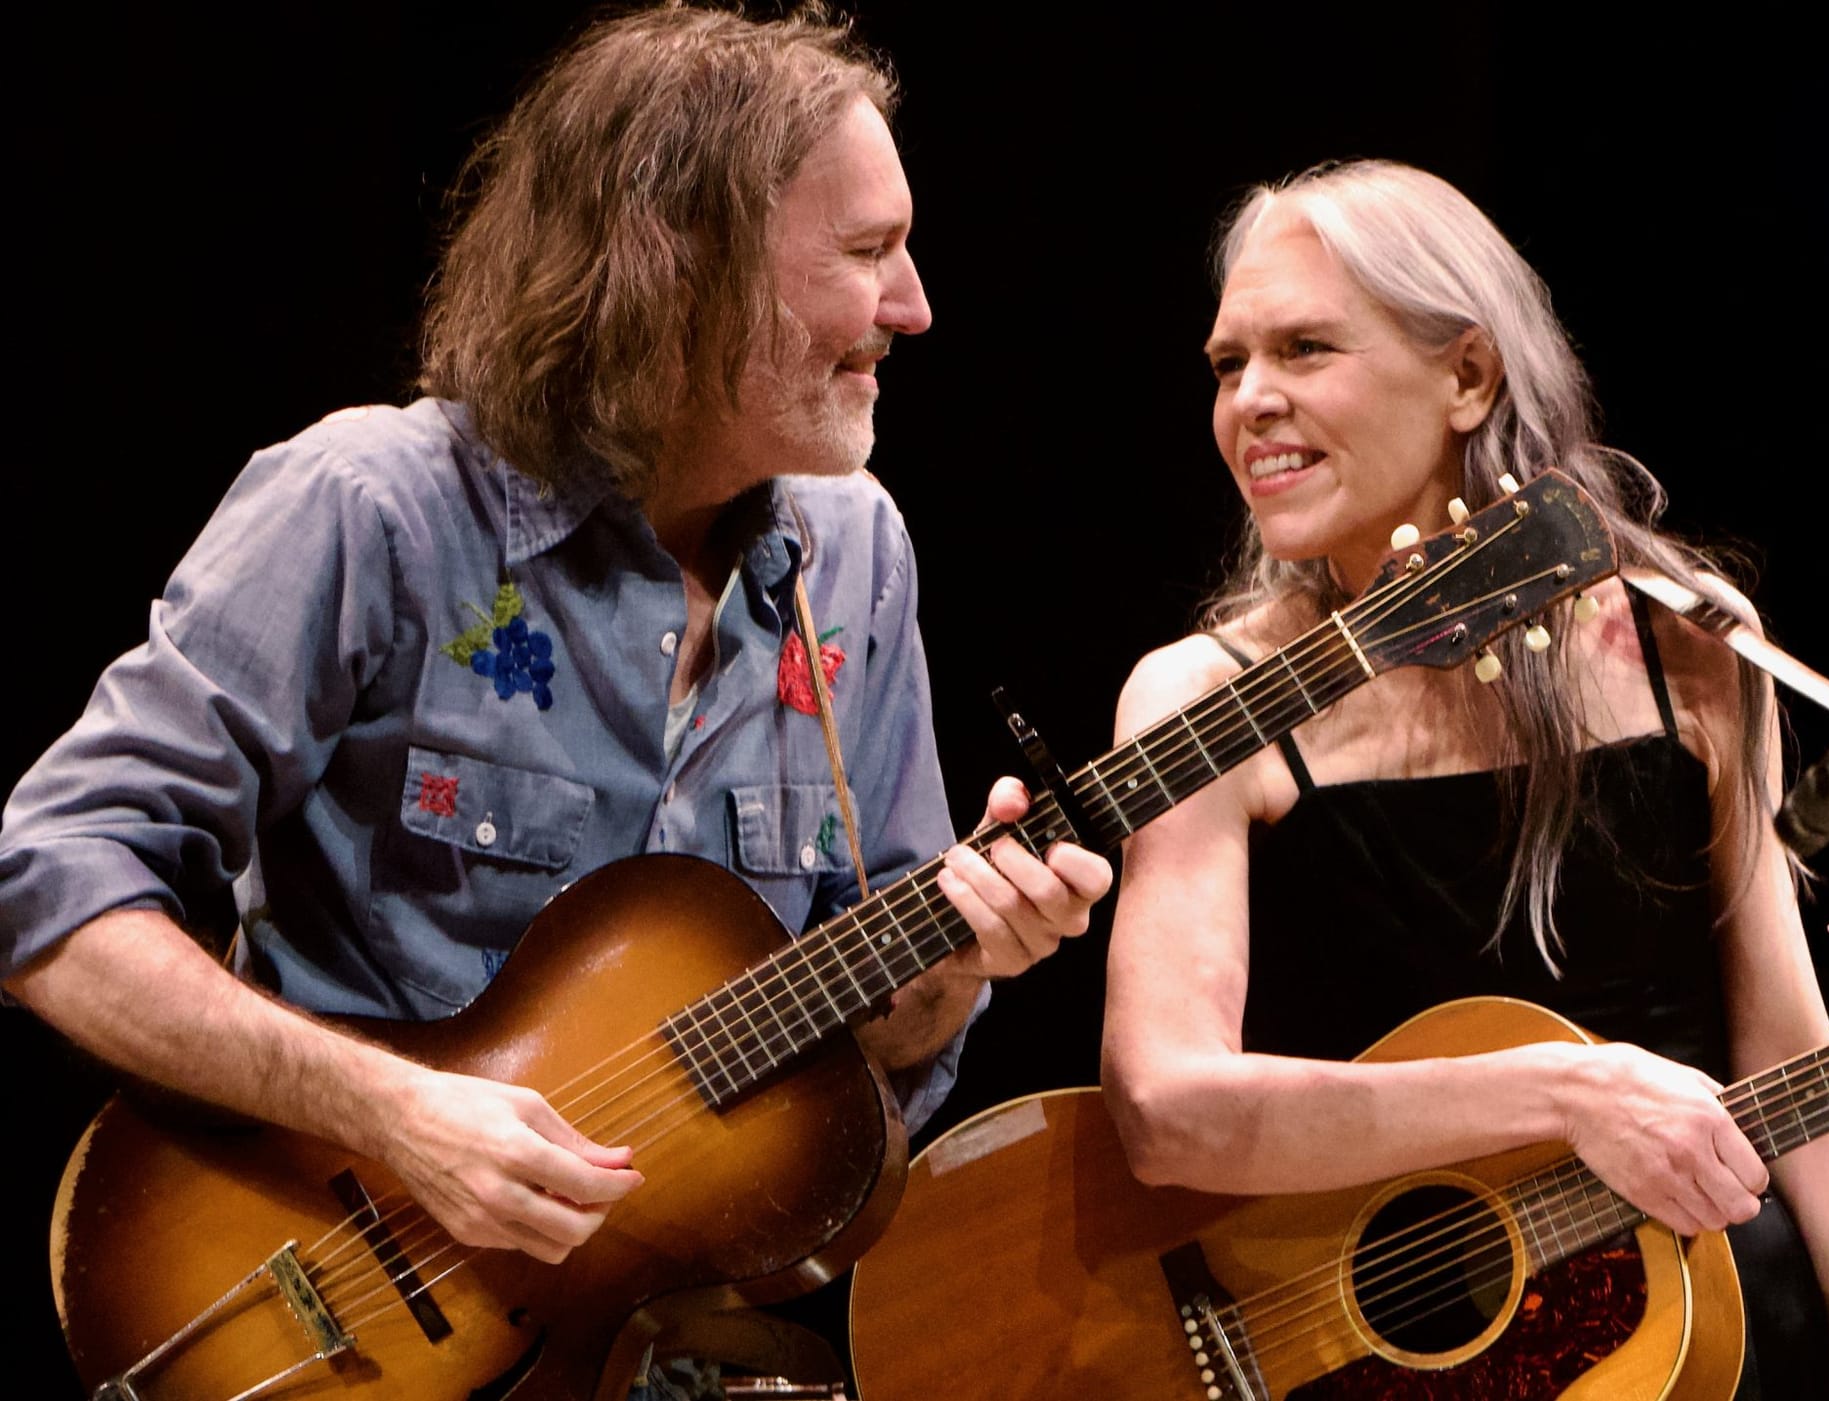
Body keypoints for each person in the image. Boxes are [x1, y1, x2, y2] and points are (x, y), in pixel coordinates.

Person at [0, 3, 1109, 1392]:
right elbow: (54, 896)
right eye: (867, 251)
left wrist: (961, 961)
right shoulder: (373, 508)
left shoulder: (857, 551)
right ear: (684, 267)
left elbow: (871, 1052)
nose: (914, 305)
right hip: (336, 1325)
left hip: (659, 1351)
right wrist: (399, 1114)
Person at [1100, 159, 1829, 1398]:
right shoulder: (1198, 699)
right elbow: (1164, 1110)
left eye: (1304, 348)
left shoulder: (1682, 645)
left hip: (1711, 1342)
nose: (1250, 401)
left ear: (1468, 376)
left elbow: (1786, 1061)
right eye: (1228, 364)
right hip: (1392, 1361)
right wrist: (1564, 1091)